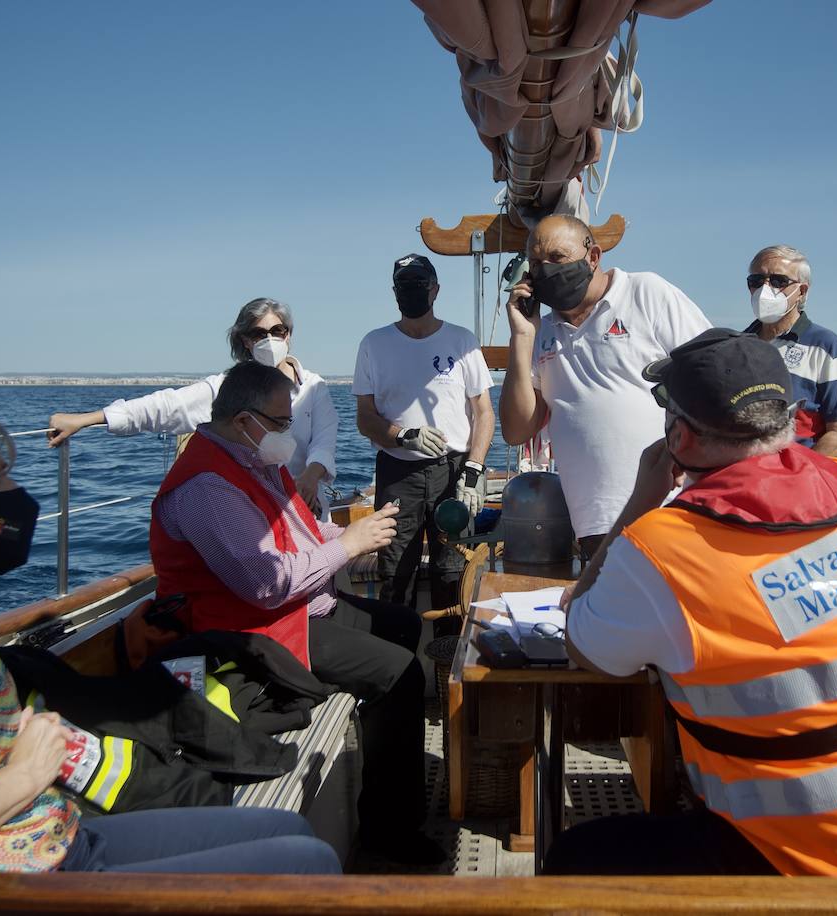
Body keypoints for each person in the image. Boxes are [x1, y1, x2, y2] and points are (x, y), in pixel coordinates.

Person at [0, 412, 339, 912]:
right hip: (23, 880)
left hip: (54, 838)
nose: (16, 493)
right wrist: (26, 771)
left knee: (283, 827)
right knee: (307, 864)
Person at [548, 329, 837, 878]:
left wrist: (639, 503)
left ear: (680, 436)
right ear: (789, 419)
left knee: (576, 858)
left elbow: (584, 644)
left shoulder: (661, 550)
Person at [150, 361, 445, 865]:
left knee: (408, 627)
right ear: (245, 421)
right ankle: (387, 837)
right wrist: (350, 545)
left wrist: (365, 532)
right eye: (283, 422)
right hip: (251, 634)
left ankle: (399, 786)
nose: (289, 433)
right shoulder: (206, 486)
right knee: (399, 675)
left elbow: (305, 533)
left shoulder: (254, 463)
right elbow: (265, 584)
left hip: (300, 610)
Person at [498, 214, 711, 559]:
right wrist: (522, 338)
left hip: (672, 509)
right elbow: (516, 430)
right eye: (536, 263)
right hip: (595, 525)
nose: (546, 269)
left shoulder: (646, 293)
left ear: (593, 256)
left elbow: (712, 374)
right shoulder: (540, 331)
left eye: (557, 257)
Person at [47, 297, 339, 518]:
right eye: (259, 334)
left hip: (304, 505)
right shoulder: (226, 388)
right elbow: (166, 407)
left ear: (289, 334)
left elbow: (324, 442)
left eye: (277, 330)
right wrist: (88, 419)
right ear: (245, 341)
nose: (270, 340)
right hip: (248, 510)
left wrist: (309, 479)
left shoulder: (314, 386)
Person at [352, 254, 495, 611]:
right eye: (405, 285)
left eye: (419, 283)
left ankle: (449, 660)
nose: (412, 290)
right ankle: (394, 663)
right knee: (396, 573)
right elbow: (365, 418)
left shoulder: (463, 342)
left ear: (435, 289)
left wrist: (474, 470)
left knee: (454, 571)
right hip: (398, 473)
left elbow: (484, 413)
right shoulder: (374, 344)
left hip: (454, 472)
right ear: (394, 292)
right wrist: (402, 435)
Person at [744, 245, 837, 457]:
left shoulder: (826, 345)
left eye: (778, 281)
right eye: (756, 281)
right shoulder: (738, 345)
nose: (765, 289)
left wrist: (799, 476)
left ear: (802, 291)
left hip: (795, 476)